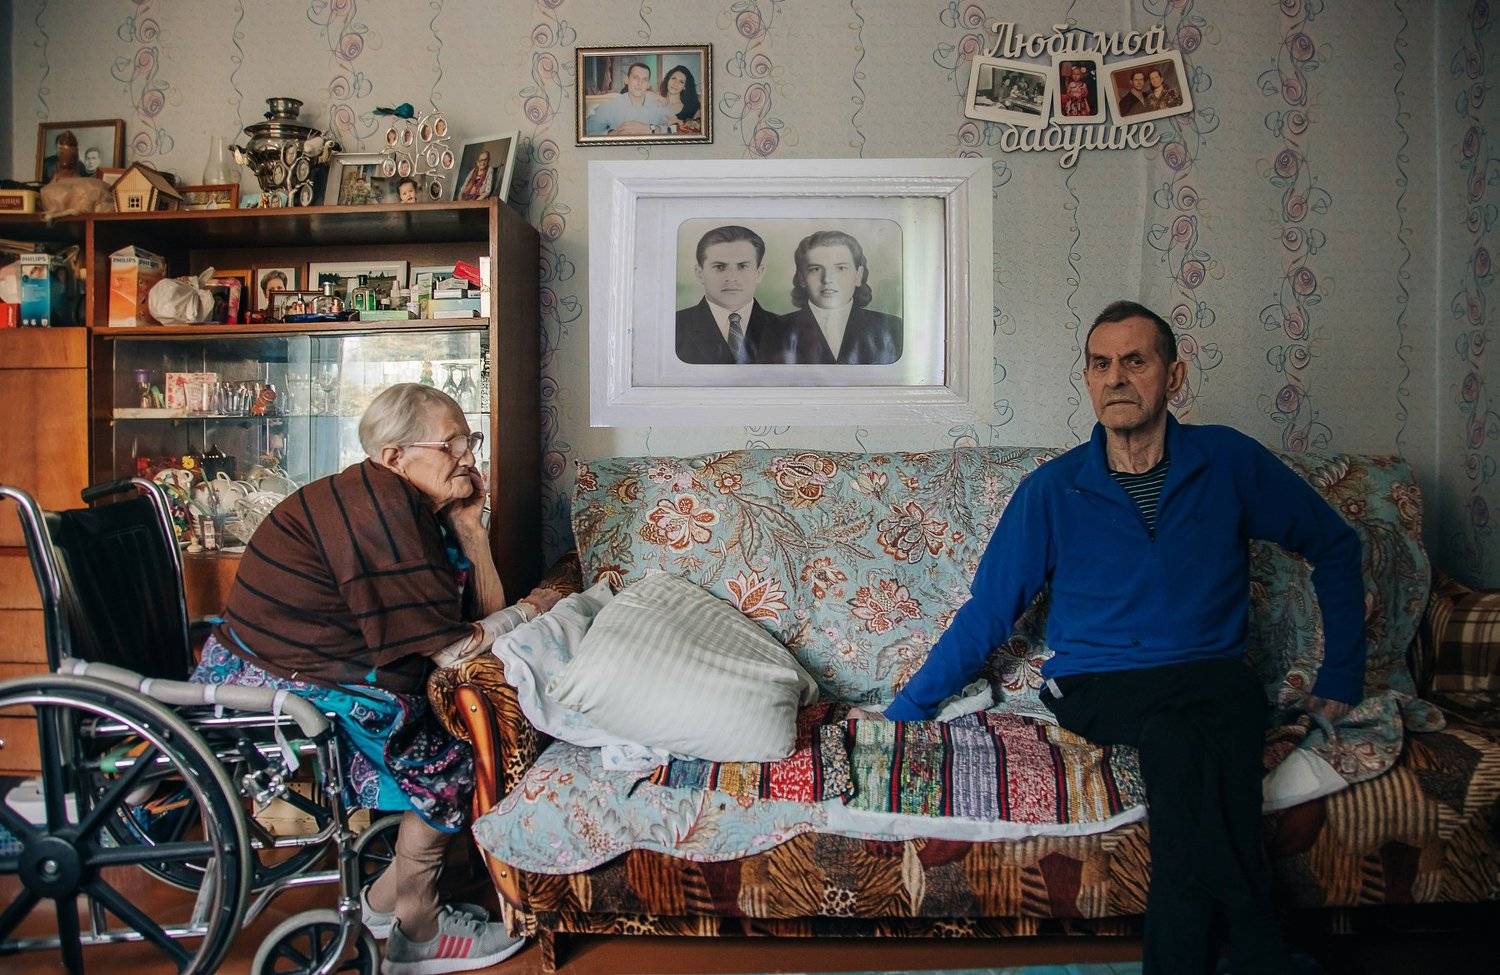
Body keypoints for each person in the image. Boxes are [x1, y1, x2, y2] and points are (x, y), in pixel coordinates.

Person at [857, 300, 1362, 975]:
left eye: (1134, 360)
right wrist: (909, 707)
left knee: (1184, 736)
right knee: (1196, 727)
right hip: (1099, 684)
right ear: (1089, 380)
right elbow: (990, 611)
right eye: (1101, 364)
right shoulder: (1053, 489)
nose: (1116, 377)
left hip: (1210, 678)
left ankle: (1217, 954)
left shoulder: (1228, 461)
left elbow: (1335, 544)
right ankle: (1258, 944)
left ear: (1172, 375)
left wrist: (1342, 674)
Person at [192, 383, 564, 974]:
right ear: (395, 456)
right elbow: (453, 649)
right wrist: (533, 609)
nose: (468, 456)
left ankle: (385, 902)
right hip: (282, 680)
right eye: (452, 444)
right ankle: (419, 929)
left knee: (467, 729)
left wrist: (472, 532)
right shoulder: (379, 511)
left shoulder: (407, 505)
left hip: (313, 665)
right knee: (461, 757)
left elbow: (473, 625)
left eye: (469, 440)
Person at [762, 230, 902, 365]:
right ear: (802, 278)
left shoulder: (892, 328)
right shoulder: (774, 331)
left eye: (840, 268)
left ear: (858, 275)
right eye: (816, 269)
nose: (827, 279)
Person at [675, 225, 780, 364]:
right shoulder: (674, 325)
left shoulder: (786, 329)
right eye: (719, 267)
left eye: (743, 266)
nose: (731, 278)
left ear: (759, 273)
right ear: (700, 273)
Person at [584, 62, 673, 136]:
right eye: (635, 77)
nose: (640, 83)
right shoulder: (610, 105)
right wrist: (612, 134)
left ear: (648, 84)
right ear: (626, 80)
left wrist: (651, 129)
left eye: (644, 79)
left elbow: (676, 128)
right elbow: (586, 130)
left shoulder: (659, 104)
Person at [660, 65, 702, 133]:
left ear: (685, 86)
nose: (675, 83)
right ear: (668, 80)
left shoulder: (692, 108)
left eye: (681, 81)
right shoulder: (654, 100)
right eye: (673, 78)